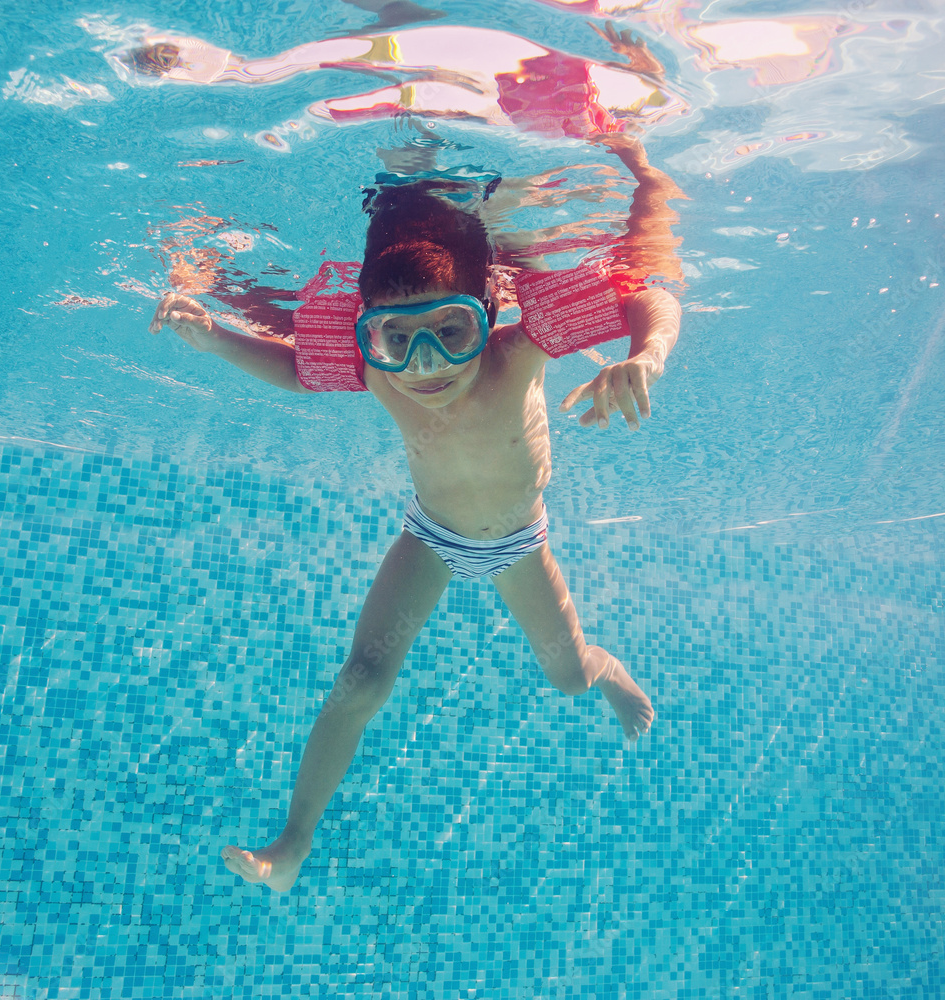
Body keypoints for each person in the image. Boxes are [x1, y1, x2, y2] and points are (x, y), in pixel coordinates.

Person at [149, 163, 681, 894]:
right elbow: (300, 368)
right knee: (361, 678)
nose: (427, 362)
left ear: (485, 316)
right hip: (429, 536)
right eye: (399, 339)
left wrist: (644, 355)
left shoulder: (521, 351)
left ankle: (608, 671)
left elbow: (647, 294)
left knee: (567, 676)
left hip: (519, 541)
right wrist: (215, 341)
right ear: (371, 337)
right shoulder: (376, 370)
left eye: (451, 330)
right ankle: (293, 844)